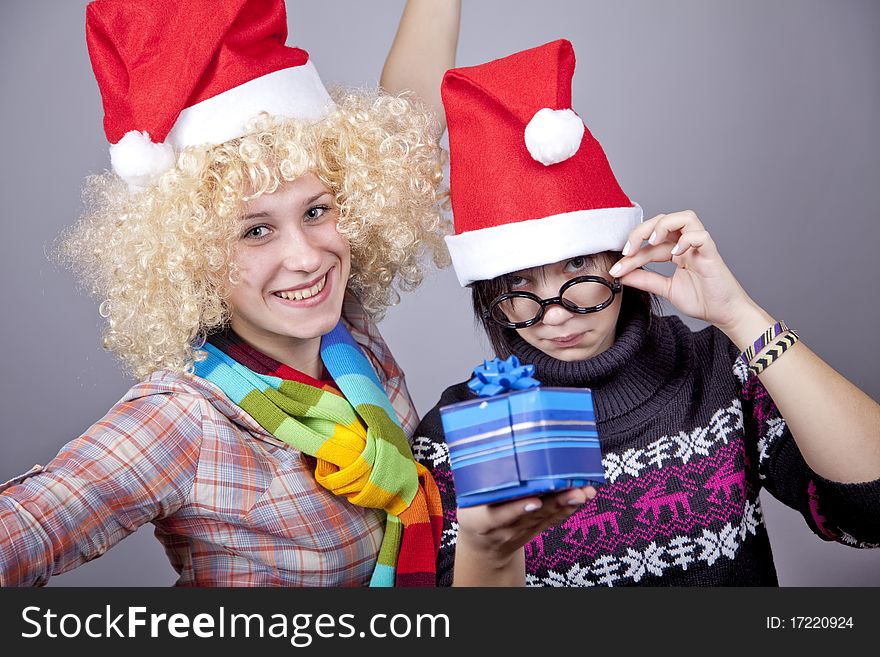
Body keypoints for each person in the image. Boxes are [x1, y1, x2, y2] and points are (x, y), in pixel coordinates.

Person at [0, 0, 450, 587]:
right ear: (190, 252)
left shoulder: (343, 326)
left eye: (317, 211)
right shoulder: (184, 417)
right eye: (255, 230)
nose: (307, 255)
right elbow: (27, 527)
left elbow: (410, 115)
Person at [411, 39, 880, 586]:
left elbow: (868, 515)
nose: (554, 315)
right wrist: (488, 550)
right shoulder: (456, 433)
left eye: (577, 267)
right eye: (518, 282)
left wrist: (740, 316)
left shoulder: (715, 370)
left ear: (622, 255)